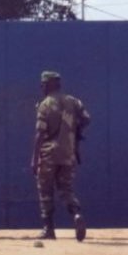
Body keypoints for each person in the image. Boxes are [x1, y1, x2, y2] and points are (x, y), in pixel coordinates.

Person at [34, 70, 91, 242]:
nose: (42, 87)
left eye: (43, 84)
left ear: (49, 85)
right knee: (66, 189)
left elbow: (40, 133)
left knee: (45, 191)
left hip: (48, 154)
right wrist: (74, 130)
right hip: (68, 153)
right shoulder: (73, 101)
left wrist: (34, 158)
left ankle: (48, 229)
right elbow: (86, 119)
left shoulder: (45, 104)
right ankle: (76, 214)